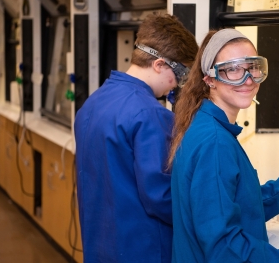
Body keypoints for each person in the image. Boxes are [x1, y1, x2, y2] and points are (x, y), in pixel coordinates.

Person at [168, 28, 279, 263]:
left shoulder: (205, 125)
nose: (248, 79)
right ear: (209, 78)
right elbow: (224, 247)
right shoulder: (215, 142)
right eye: (232, 70)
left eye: (253, 67)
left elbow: (230, 208)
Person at [74, 14, 198, 263]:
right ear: (159, 64)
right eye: (180, 75)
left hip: (100, 246)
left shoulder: (93, 102)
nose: (176, 86)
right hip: (142, 250)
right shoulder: (151, 115)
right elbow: (162, 197)